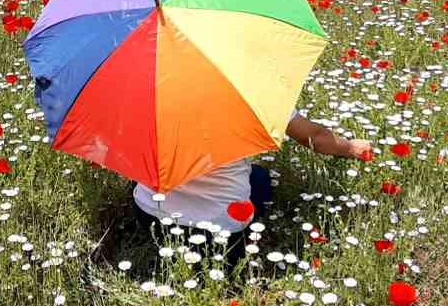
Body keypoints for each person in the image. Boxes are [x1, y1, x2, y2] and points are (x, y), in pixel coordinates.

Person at [132, 112, 372, 263]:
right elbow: (315, 137)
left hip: (150, 214)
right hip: (221, 233)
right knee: (259, 179)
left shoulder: (145, 93)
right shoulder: (249, 90)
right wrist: (351, 147)